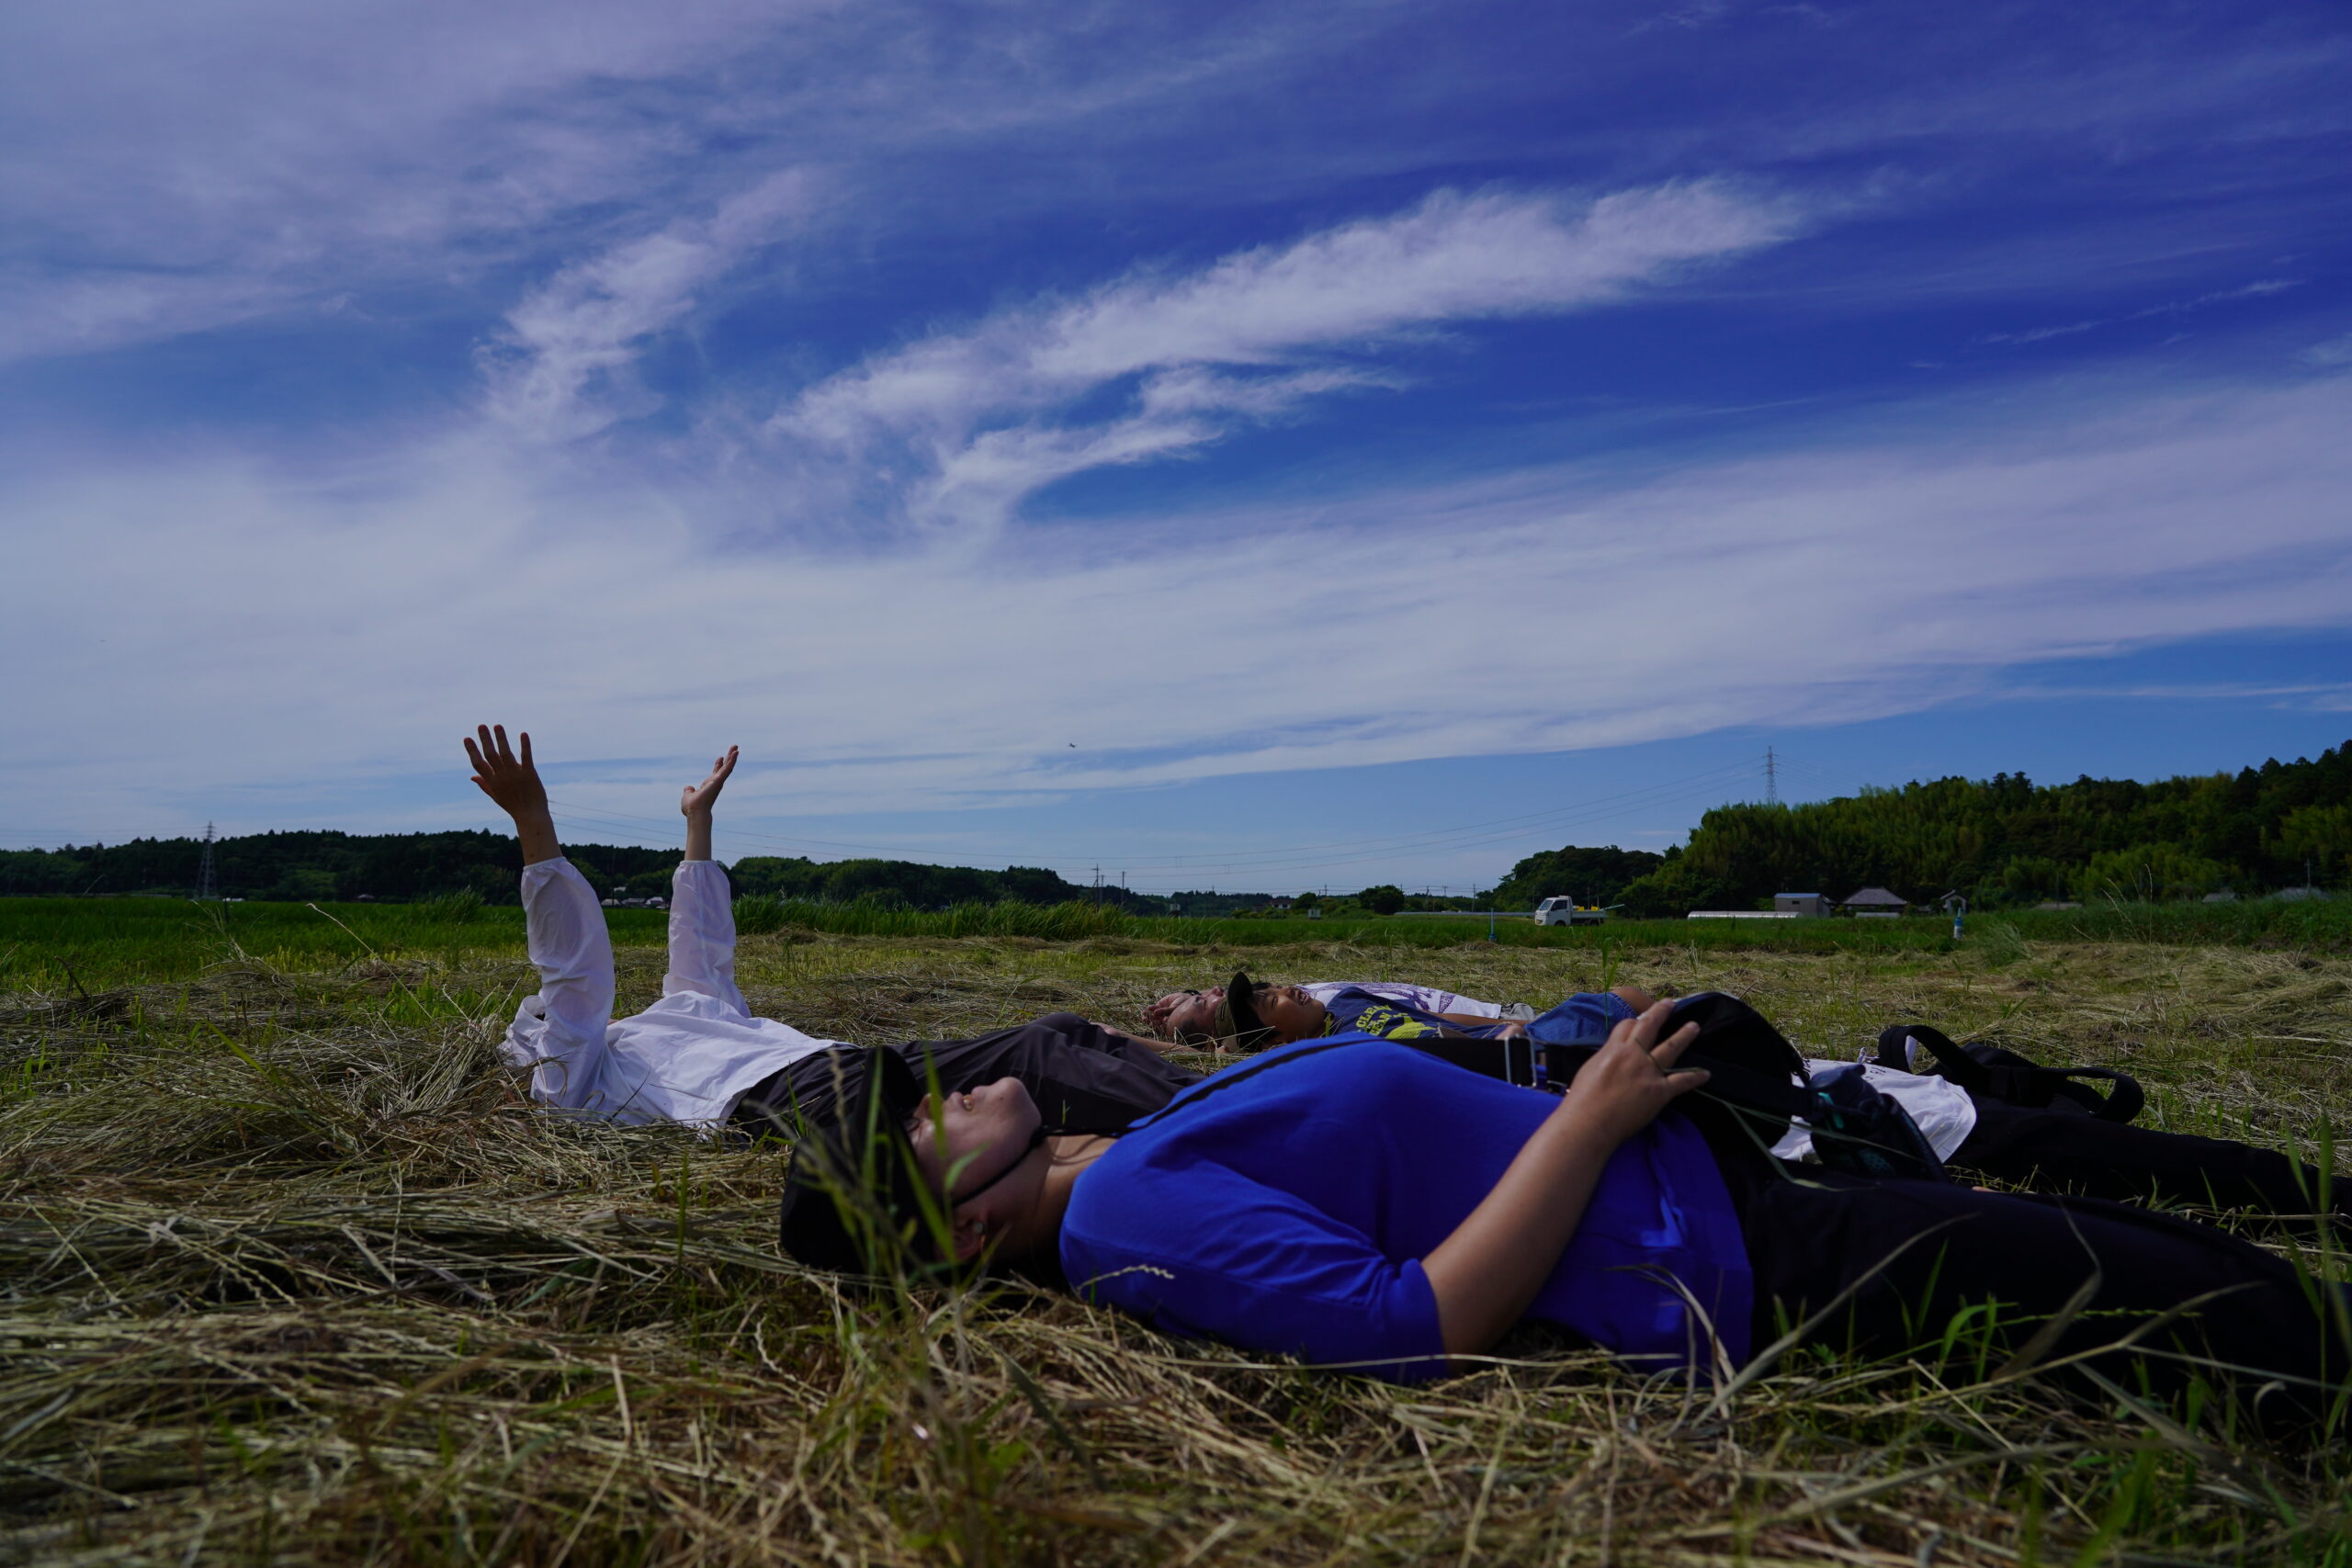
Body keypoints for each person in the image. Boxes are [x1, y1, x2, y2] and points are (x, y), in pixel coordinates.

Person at [779, 1004, 2351, 1428]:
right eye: (917, 1128)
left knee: (2196, 1276)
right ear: (969, 1228)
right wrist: (1593, 1114)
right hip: (1737, 1268)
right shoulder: (1133, 1215)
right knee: (2218, 1310)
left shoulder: (1124, 1151)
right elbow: (1414, 1327)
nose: (943, 1095)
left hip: (1730, 1191)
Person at [463, 724, 1199, 1138]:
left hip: (837, 1069)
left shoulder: (667, 1022)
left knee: (1065, 1027)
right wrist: (536, 826)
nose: (548, 1014)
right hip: (789, 1097)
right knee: (1041, 1053)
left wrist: (697, 824)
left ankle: (1225, 1089)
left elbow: (700, 950)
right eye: (542, 1020)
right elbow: (575, 972)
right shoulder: (569, 1077)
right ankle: (1233, 1112)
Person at [1153, 973, 2344, 1219]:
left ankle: (2303, 1192)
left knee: (2017, 1137)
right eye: (1256, 1001)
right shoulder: (1362, 1047)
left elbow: (1550, 1010)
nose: (1288, 993)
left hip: (1729, 1079)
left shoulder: (1382, 1004)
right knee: (2004, 1142)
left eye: (1263, 985)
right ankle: (2311, 1195)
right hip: (1765, 1116)